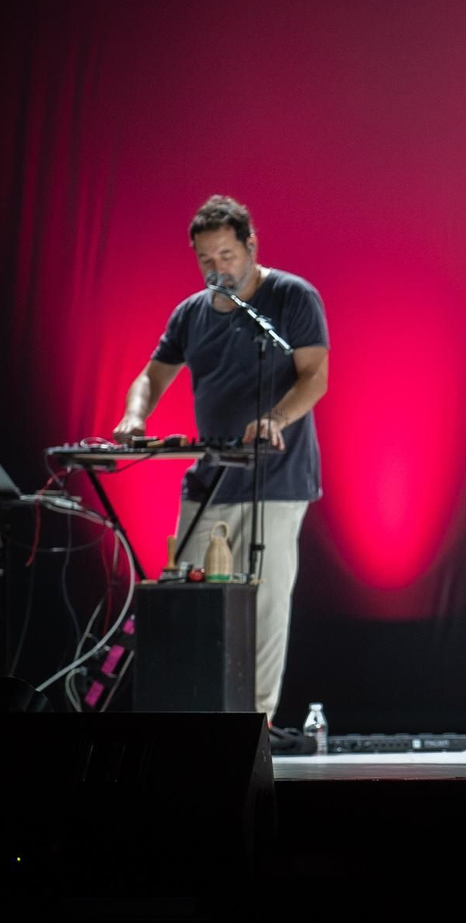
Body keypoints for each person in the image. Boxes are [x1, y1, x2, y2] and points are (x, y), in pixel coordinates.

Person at [113, 195, 329, 721]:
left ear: (251, 245)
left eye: (227, 256)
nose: (218, 269)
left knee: (266, 605)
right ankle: (194, 715)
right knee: (188, 595)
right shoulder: (191, 314)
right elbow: (152, 375)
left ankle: (256, 722)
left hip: (276, 478)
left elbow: (315, 376)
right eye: (206, 260)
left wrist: (275, 419)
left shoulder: (290, 296)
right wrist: (134, 415)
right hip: (211, 478)